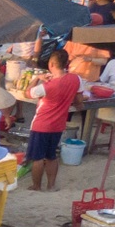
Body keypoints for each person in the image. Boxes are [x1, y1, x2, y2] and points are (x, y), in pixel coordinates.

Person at [25, 50, 82, 192]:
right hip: (58, 125)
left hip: (41, 124)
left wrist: (37, 78)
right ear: (66, 63)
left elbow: (27, 93)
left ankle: (36, 186)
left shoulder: (47, 86)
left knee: (37, 158)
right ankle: (51, 185)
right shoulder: (76, 79)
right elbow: (79, 100)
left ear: (51, 64)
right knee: (51, 155)